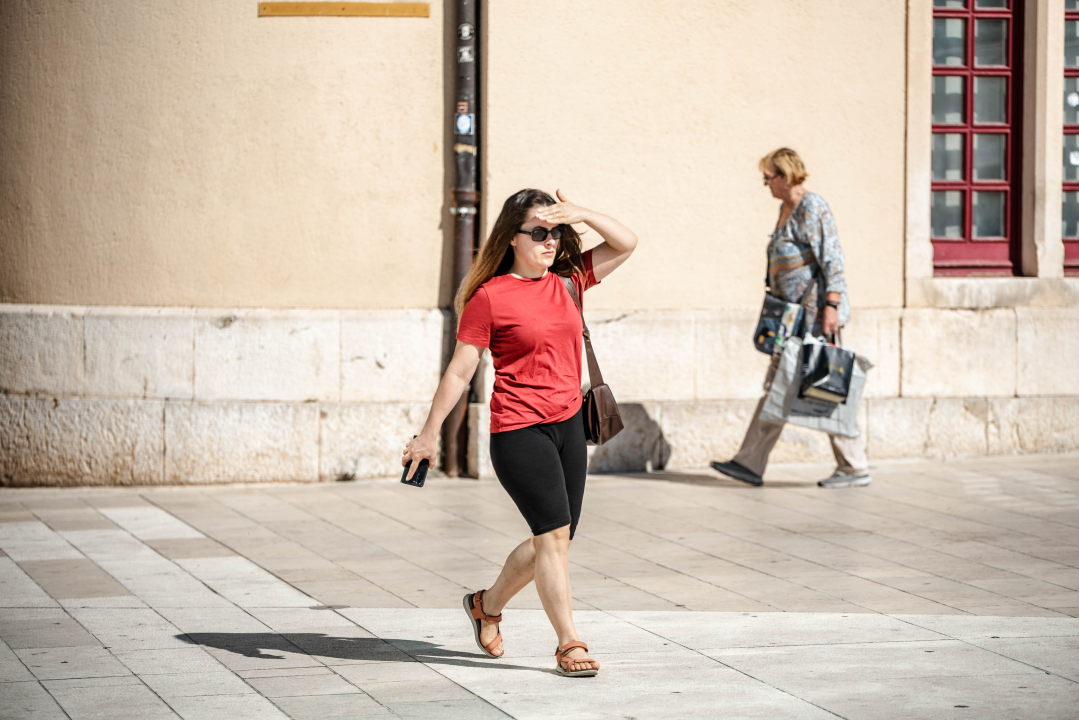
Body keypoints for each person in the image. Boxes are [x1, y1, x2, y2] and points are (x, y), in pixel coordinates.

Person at [402, 188, 637, 677]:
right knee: (552, 537)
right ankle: (569, 642)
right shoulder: (489, 297)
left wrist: (584, 212)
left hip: (569, 425)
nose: (550, 242)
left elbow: (627, 243)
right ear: (512, 237)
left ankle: (485, 605)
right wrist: (429, 435)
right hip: (518, 431)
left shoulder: (569, 282)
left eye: (556, 232)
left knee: (558, 535)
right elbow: (460, 372)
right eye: (539, 232)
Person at [711, 148, 871, 489]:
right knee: (783, 385)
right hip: (789, 319)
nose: (766, 184)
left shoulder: (812, 206)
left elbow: (833, 259)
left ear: (784, 176)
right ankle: (750, 462)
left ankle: (853, 465)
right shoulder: (786, 210)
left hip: (815, 318)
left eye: (768, 177)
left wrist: (832, 305)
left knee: (823, 386)